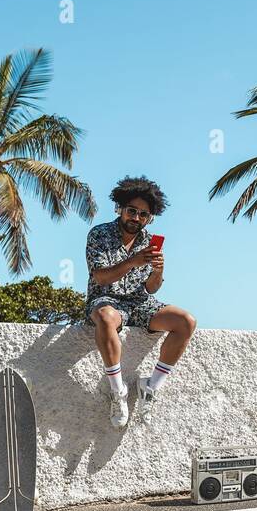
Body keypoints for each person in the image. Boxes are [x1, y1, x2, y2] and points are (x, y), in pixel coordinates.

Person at [84, 176, 197, 428]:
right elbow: (100, 276)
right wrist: (133, 261)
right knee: (104, 317)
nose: (136, 218)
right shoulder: (99, 234)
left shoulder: (149, 242)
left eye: (143, 214)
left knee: (185, 322)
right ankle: (118, 391)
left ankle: (151, 386)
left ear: (150, 217)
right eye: (131, 211)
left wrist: (158, 270)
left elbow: (151, 287)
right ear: (120, 209)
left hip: (140, 301)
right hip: (107, 299)